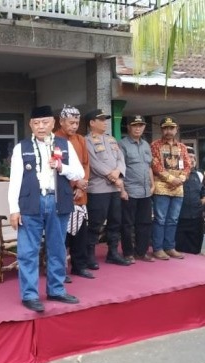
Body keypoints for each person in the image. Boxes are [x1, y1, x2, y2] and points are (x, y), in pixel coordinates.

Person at [8, 105, 84, 313]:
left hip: (57, 202)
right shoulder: (21, 148)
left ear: (52, 123)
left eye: (45, 122)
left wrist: (61, 167)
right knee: (28, 251)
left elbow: (77, 174)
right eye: (36, 123)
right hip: (31, 203)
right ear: (30, 125)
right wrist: (14, 209)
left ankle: (56, 289)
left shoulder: (64, 145)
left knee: (57, 247)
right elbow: (15, 181)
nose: (40, 127)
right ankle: (30, 295)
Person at [85, 109, 129, 268]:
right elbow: (94, 163)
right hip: (98, 189)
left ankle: (113, 252)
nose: (105, 122)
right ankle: (89, 255)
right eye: (101, 119)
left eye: (105, 119)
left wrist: (118, 173)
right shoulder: (87, 141)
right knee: (95, 223)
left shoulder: (111, 139)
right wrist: (112, 176)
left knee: (115, 222)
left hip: (114, 189)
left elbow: (121, 159)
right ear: (92, 123)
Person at [55, 105, 95, 281]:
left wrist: (81, 185)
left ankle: (79, 266)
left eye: (77, 123)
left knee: (80, 233)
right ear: (61, 122)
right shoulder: (54, 140)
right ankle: (60, 270)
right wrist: (74, 184)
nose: (74, 126)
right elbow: (56, 167)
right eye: (71, 122)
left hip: (81, 193)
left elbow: (86, 164)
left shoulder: (80, 139)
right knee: (61, 234)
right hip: (63, 192)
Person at [150, 116, 191, 260]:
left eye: (171, 128)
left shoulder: (182, 147)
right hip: (161, 186)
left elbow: (187, 165)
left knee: (173, 219)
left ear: (176, 129)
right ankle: (158, 248)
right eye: (166, 128)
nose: (169, 131)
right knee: (160, 219)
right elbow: (155, 165)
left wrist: (182, 178)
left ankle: (170, 247)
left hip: (178, 187)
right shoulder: (155, 145)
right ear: (161, 130)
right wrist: (170, 179)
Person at [118, 115, 155, 263]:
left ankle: (142, 251)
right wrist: (122, 190)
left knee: (145, 223)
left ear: (144, 127)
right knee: (127, 224)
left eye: (141, 125)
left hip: (146, 191)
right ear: (129, 127)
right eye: (135, 125)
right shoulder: (122, 144)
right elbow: (120, 169)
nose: (138, 128)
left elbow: (149, 167)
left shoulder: (146, 145)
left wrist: (152, 185)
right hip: (130, 190)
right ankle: (128, 253)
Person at [175, 147, 205, 254]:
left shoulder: (200, 175)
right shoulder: (176, 174)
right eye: (188, 157)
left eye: (193, 158)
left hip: (196, 219)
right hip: (180, 219)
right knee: (181, 251)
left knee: (195, 251)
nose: (191, 160)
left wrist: (201, 205)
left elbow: (203, 193)